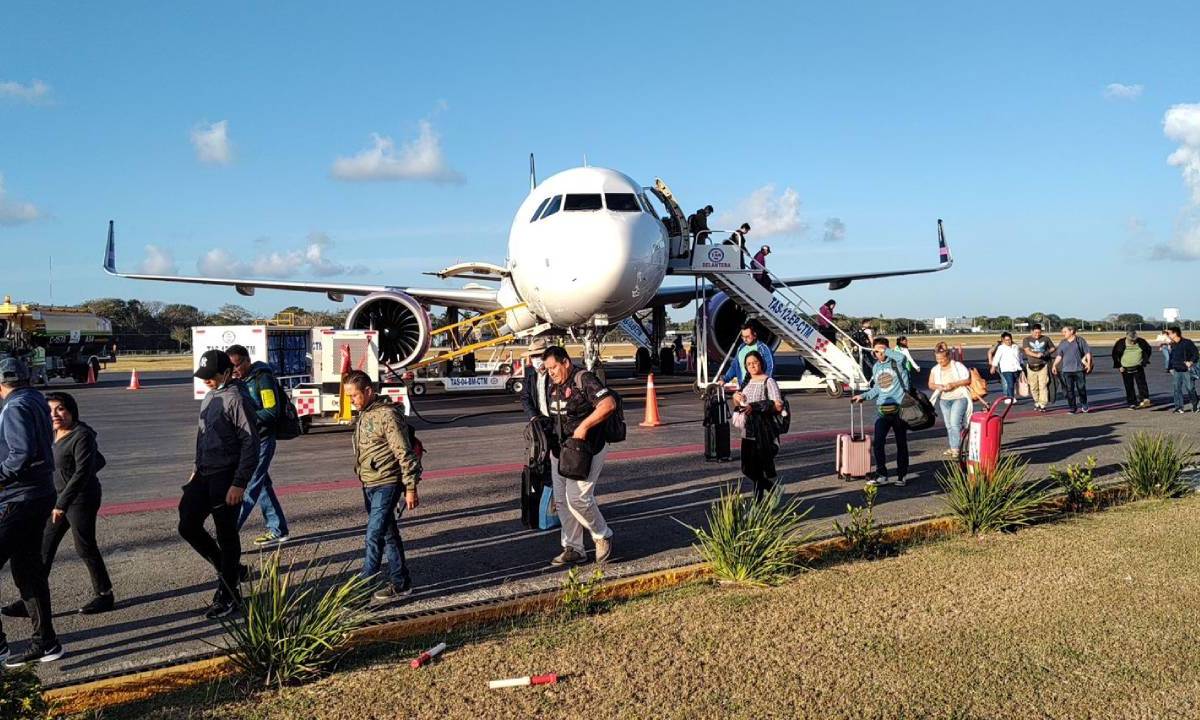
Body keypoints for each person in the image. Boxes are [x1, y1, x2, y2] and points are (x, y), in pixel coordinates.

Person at [2, 392, 113, 621]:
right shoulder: (51, 434)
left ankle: (104, 594)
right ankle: (31, 601)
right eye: (50, 410)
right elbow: (98, 461)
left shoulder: (81, 435)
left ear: (71, 410)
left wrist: (64, 499)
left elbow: (84, 471)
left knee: (85, 546)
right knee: (44, 547)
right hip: (56, 499)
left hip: (80, 499)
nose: (55, 414)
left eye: (61, 409)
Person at [181, 350, 259, 620]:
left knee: (226, 534)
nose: (207, 381)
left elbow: (251, 443)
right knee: (187, 523)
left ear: (226, 373)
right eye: (204, 376)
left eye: (211, 377)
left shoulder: (237, 399)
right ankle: (230, 569)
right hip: (204, 473)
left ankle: (228, 594)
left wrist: (239, 483)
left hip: (226, 475)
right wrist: (195, 469)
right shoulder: (211, 395)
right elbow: (203, 436)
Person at [0, 357, 62, 667]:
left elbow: (19, 454)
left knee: (27, 567)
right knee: (27, 568)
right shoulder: (36, 399)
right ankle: (45, 641)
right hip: (40, 493)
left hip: (17, 498)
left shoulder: (13, 408)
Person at [346, 370, 421, 601]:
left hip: (387, 483)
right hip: (368, 483)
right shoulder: (365, 414)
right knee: (388, 534)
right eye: (349, 397)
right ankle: (401, 582)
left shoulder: (387, 415)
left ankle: (363, 588)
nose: (352, 401)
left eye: (355, 396)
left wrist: (410, 487)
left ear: (368, 391)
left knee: (374, 535)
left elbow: (404, 453)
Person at [540, 346, 617, 566]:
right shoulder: (552, 384)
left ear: (566, 362)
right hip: (561, 450)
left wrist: (583, 428)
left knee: (578, 499)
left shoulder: (583, 379)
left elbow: (608, 404)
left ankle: (603, 535)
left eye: (554, 367)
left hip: (587, 449)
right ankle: (574, 547)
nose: (551, 372)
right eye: (548, 369)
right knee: (562, 502)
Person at [226, 345, 289, 546]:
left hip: (261, 440)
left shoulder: (263, 379)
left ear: (247, 361)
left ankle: (227, 533)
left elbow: (271, 412)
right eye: (231, 366)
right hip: (248, 440)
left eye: (237, 365)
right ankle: (277, 528)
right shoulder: (239, 381)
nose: (234, 370)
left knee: (250, 485)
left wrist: (245, 420)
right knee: (262, 485)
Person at [852, 338, 911, 487]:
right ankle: (882, 474)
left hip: (899, 408)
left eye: (882, 350)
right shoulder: (876, 367)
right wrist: (863, 396)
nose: (879, 353)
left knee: (901, 443)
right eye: (876, 350)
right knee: (878, 443)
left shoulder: (897, 362)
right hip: (882, 410)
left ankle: (902, 475)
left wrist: (886, 351)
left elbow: (902, 357)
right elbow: (878, 388)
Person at [730, 351, 784, 501]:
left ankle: (757, 505)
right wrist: (735, 398)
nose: (752, 366)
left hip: (762, 432)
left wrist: (756, 407)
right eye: (748, 364)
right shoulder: (746, 381)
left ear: (761, 362)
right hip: (747, 431)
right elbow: (739, 403)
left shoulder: (768, 381)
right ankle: (773, 489)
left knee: (758, 470)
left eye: (755, 362)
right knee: (747, 469)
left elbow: (778, 406)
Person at [928, 343, 972, 459]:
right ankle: (953, 447)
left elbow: (967, 380)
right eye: (937, 359)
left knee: (954, 423)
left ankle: (956, 449)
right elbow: (930, 384)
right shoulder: (935, 369)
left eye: (942, 359)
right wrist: (939, 386)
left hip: (959, 397)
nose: (940, 361)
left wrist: (953, 384)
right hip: (944, 400)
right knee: (949, 425)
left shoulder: (957, 366)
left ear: (948, 357)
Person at [1051, 325, 1093, 414]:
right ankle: (1072, 408)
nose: (1063, 333)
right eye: (1063, 332)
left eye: (1065, 332)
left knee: (1081, 388)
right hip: (1066, 370)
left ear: (1072, 331)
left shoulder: (1080, 340)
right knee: (1069, 390)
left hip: (1079, 369)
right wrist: (1054, 365)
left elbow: (1087, 352)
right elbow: (1059, 355)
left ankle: (1084, 404)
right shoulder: (1062, 342)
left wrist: (1088, 364)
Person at [1111, 330, 1153, 409]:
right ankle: (1132, 402)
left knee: (1142, 384)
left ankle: (1144, 399)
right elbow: (1115, 354)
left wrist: (1144, 361)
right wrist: (1119, 366)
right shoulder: (1120, 343)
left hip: (1138, 366)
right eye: (1131, 340)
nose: (1133, 342)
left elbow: (1148, 350)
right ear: (1126, 337)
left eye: (1135, 340)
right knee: (1129, 386)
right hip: (1125, 368)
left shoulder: (1141, 341)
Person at [1021, 324, 1056, 412]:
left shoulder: (1046, 339)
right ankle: (1036, 402)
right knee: (1033, 387)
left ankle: (1042, 404)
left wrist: (1046, 353)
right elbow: (1027, 351)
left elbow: (1053, 348)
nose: (1037, 334)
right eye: (1035, 332)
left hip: (1043, 366)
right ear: (1031, 331)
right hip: (1031, 367)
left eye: (1039, 332)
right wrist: (1037, 355)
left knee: (1043, 385)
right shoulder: (1026, 339)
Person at [1165, 326, 1198, 413]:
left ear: (1175, 333)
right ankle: (1179, 407)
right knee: (1176, 389)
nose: (1168, 335)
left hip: (1186, 370)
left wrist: (1191, 362)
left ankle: (1195, 406)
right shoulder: (1172, 344)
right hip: (1176, 369)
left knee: (1190, 388)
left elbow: (1195, 354)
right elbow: (1171, 357)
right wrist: (1170, 368)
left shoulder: (1187, 342)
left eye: (1169, 333)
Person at [520, 339, 549, 420]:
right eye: (533, 356)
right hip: (539, 420)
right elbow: (525, 397)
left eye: (538, 355)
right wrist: (533, 416)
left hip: (556, 420)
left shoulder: (554, 373)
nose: (536, 359)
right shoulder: (530, 373)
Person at [990, 332, 1024, 401]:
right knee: (1010, 383)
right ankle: (1011, 398)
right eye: (1006, 340)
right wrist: (993, 367)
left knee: (1012, 384)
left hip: (1016, 368)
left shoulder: (1015, 347)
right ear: (1003, 340)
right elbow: (997, 358)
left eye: (1009, 339)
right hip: (1006, 369)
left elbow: (1019, 356)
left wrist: (1022, 364)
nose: (1008, 341)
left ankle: (1009, 397)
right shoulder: (1001, 348)